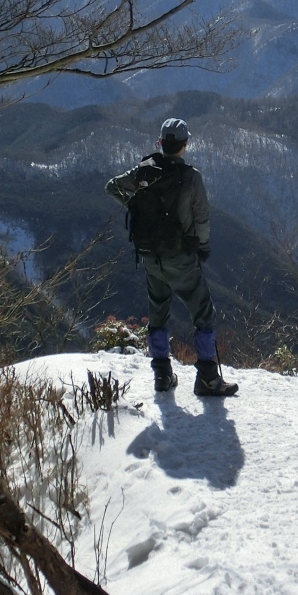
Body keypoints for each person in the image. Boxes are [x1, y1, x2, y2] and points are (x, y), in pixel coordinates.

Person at [105, 117, 238, 397]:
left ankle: (162, 375)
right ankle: (207, 378)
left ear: (161, 143)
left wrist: (134, 206)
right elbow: (201, 218)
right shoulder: (191, 177)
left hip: (151, 258)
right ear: (184, 145)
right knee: (202, 314)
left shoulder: (145, 172)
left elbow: (112, 186)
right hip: (181, 257)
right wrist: (202, 245)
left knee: (158, 314)